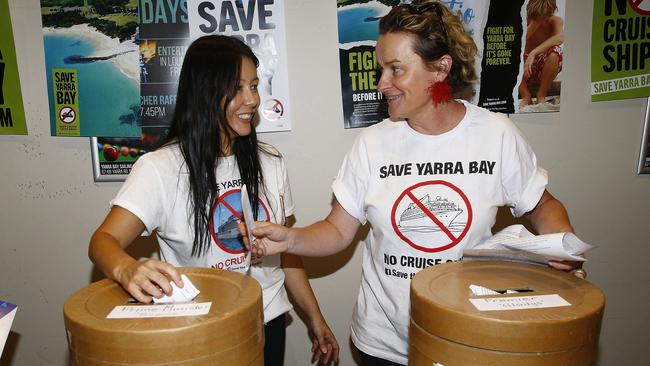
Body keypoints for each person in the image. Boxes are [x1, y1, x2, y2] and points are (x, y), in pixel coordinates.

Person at [244, 1, 583, 365]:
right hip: (384, 344)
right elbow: (337, 231)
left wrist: (562, 246)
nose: (381, 84)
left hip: (465, 336)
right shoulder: (372, 145)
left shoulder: (495, 135)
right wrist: (288, 238)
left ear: (440, 69)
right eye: (381, 69)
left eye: (396, 70)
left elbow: (543, 205)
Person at [89, 35, 339, 366]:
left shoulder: (272, 162)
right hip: (200, 330)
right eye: (237, 88)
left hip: (267, 322)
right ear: (205, 92)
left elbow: (288, 256)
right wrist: (126, 268)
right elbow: (102, 241)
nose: (251, 99)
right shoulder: (159, 168)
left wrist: (315, 319)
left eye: (253, 86)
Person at [518, 0, 564, 110]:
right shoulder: (523, 21)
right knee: (512, 55)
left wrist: (533, 53)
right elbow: (516, 43)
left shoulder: (554, 21)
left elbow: (560, 38)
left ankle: (541, 94)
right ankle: (526, 95)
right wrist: (533, 25)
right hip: (522, 74)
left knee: (555, 52)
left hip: (542, 70)